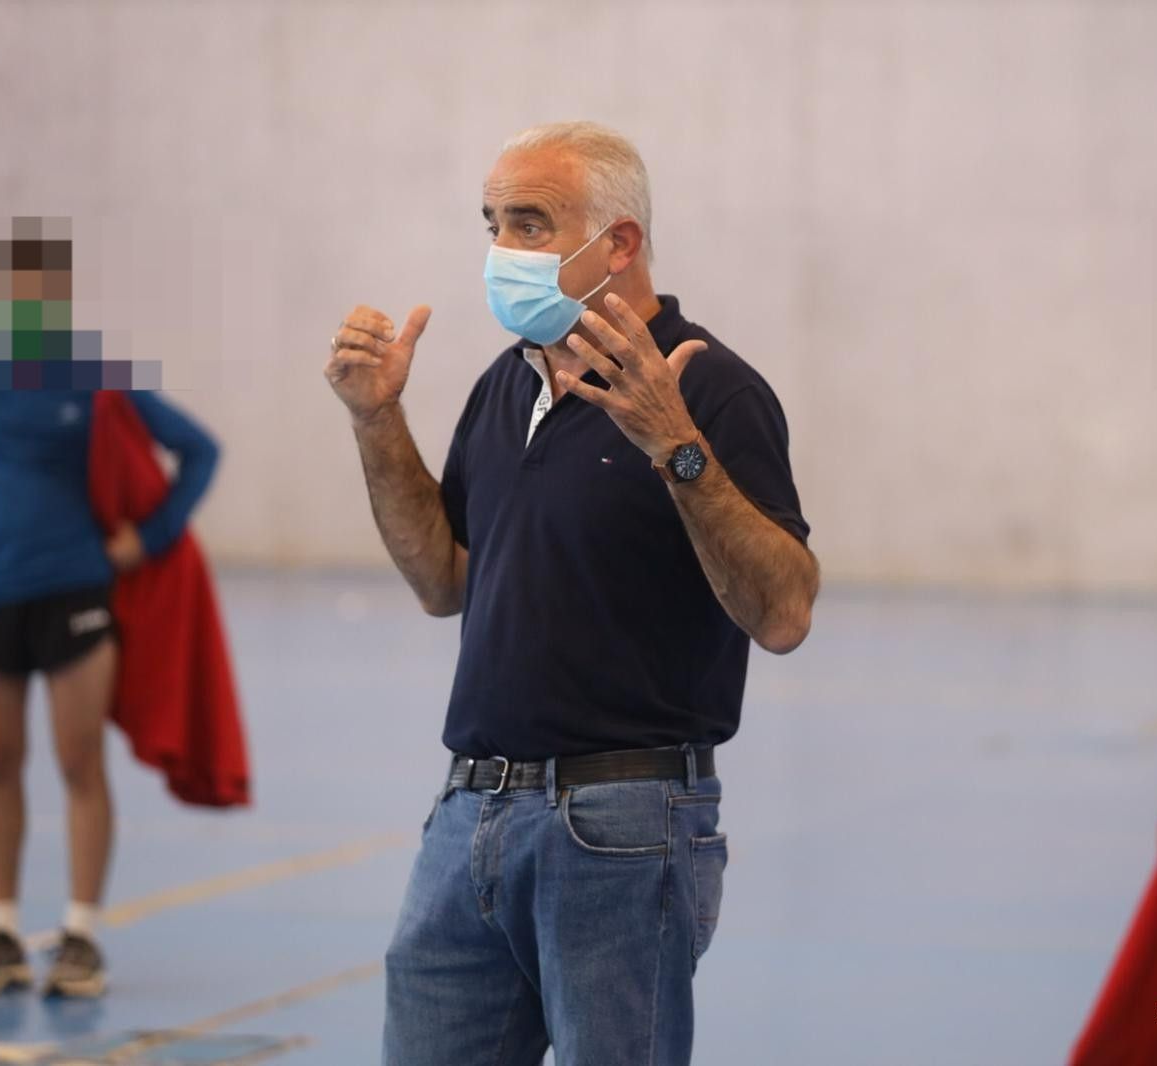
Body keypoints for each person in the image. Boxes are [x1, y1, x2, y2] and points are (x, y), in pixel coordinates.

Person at [325, 121, 819, 1066]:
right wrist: (376, 419)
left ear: (619, 243)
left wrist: (676, 447)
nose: (501, 251)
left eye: (529, 223)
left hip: (620, 828)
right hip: (469, 815)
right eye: (491, 224)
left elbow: (785, 612)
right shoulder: (504, 387)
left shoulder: (711, 390)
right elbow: (443, 581)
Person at [0, 228, 220, 999]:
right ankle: (0, 932)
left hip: (77, 599)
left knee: (78, 762)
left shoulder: (96, 381)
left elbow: (200, 449)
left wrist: (148, 537)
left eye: (41, 294)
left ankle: (80, 936)